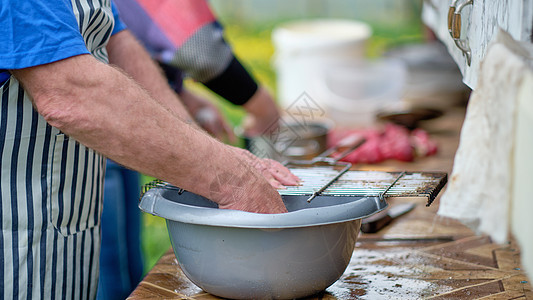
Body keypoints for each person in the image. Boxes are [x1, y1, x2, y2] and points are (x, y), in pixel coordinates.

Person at [0, 1, 299, 299]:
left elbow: (116, 38)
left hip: (63, 231)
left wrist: (202, 145)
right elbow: (68, 91)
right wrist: (234, 181)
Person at [97, 1, 284, 299]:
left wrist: (179, 92)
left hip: (113, 111)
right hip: (82, 125)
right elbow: (199, 50)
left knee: (127, 268)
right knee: (104, 269)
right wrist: (264, 108)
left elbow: (119, 39)